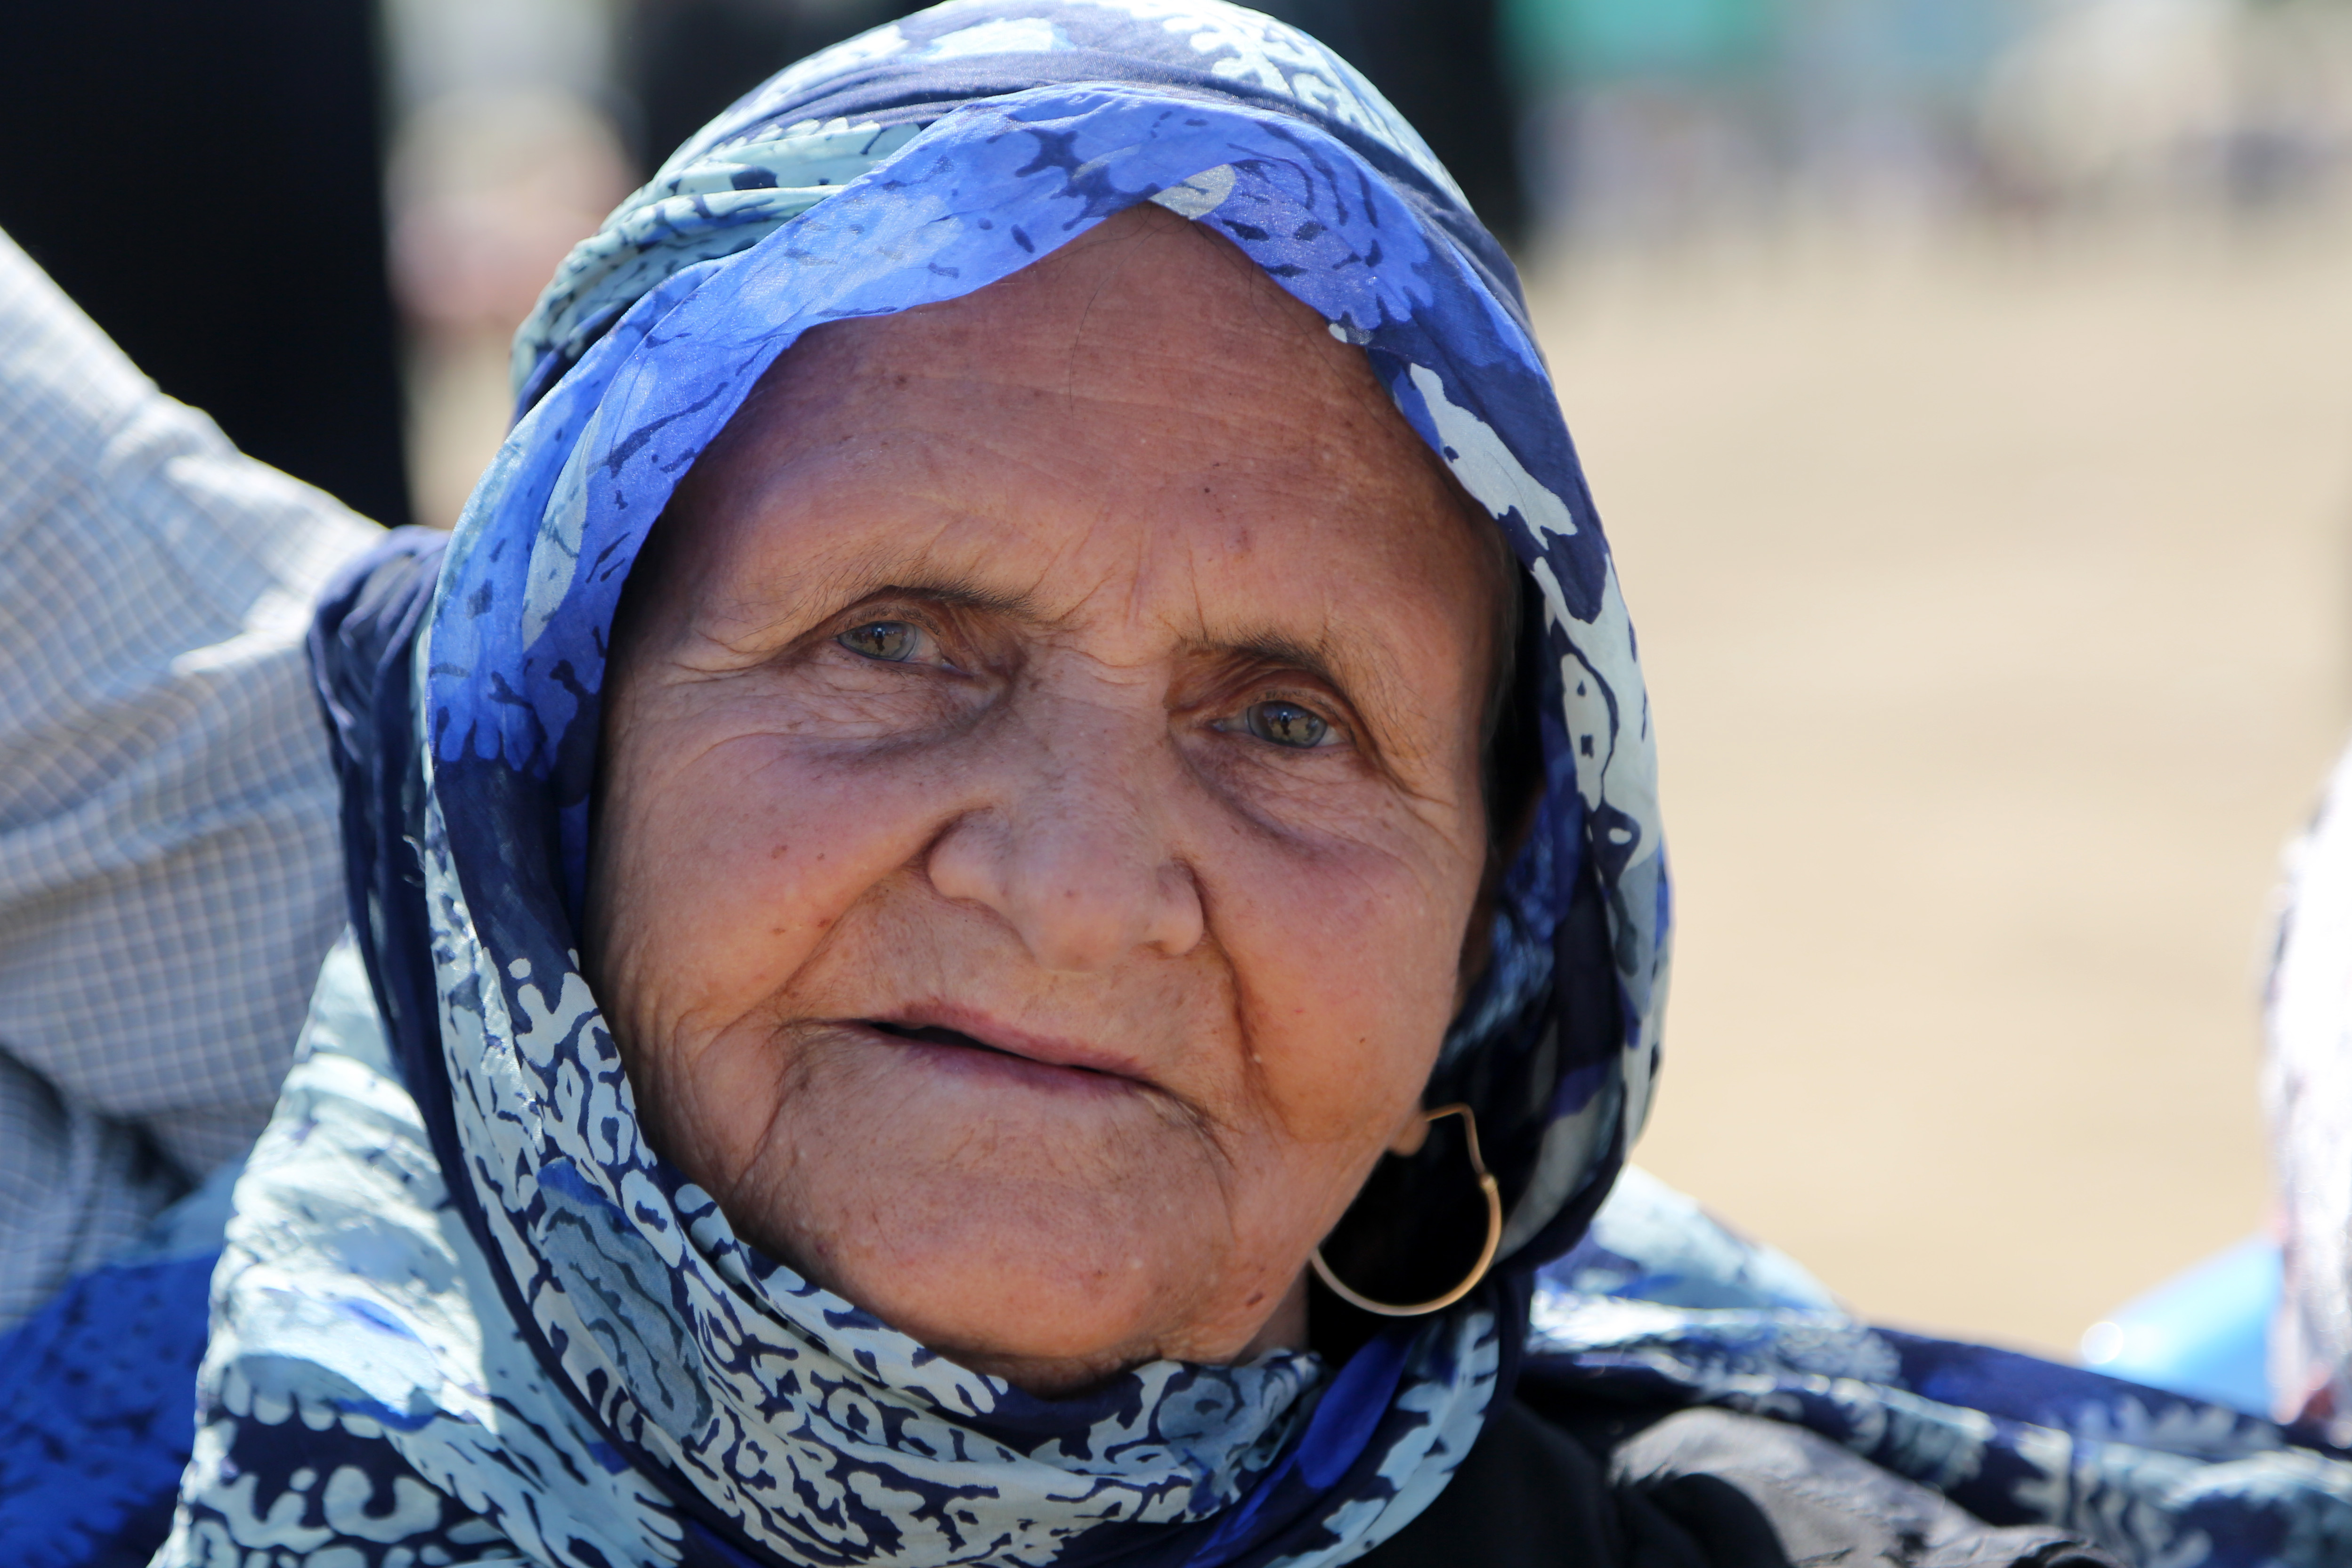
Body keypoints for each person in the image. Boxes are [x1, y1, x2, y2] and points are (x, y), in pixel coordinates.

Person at [5, 4, 2352, 1566]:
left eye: (1284, 717)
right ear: (547, 774)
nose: (1083, 882)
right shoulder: (103, 1405)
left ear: (1486, 946)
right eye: (897, 638)